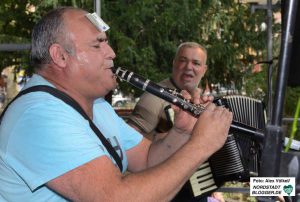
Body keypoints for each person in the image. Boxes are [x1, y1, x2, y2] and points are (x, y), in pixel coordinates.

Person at [0, 7, 232, 202]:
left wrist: (182, 132)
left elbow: (147, 159)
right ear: (60, 56)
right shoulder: (39, 116)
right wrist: (202, 144)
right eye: (97, 44)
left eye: (107, 43)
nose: (111, 53)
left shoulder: (97, 105)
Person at [127, 42, 211, 140]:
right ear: (174, 63)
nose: (188, 67)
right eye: (183, 61)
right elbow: (128, 144)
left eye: (196, 63)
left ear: (204, 70)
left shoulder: (202, 98)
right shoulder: (153, 97)